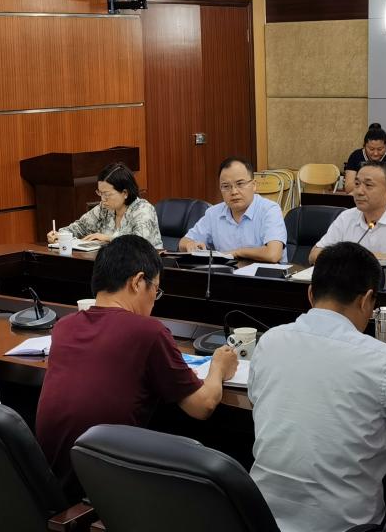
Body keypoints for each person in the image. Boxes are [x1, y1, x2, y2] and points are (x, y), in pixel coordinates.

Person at [249, 242, 386, 532]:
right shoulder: (382, 360)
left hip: (260, 520)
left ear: (311, 293)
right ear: (367, 300)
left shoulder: (269, 341)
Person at [36, 235, 238, 494]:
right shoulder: (148, 331)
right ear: (138, 281)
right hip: (105, 488)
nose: (154, 300)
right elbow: (203, 406)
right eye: (156, 290)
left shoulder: (64, 326)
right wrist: (219, 366)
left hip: (56, 485)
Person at [311, 162, 386, 275]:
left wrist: (367, 258)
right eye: (357, 184)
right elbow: (314, 254)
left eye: (368, 185)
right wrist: (349, 258)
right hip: (354, 285)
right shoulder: (346, 217)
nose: (358, 191)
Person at [180, 157, 287, 263]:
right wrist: (189, 244)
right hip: (228, 273)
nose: (234, 192)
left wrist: (237, 252)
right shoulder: (213, 213)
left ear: (254, 185)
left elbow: (273, 254)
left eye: (240, 184)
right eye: (226, 186)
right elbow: (183, 242)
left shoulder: (269, 210)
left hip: (265, 273)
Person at [46, 162, 162, 248]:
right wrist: (60, 235)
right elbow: (80, 227)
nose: (102, 199)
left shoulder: (143, 210)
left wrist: (108, 238)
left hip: (143, 268)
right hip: (112, 266)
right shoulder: (104, 208)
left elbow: (140, 243)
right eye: (100, 193)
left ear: (125, 193)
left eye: (107, 194)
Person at [342, 123, 386, 190]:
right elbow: (348, 187)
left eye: (380, 149)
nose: (375, 153)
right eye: (371, 149)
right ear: (364, 146)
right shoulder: (356, 156)